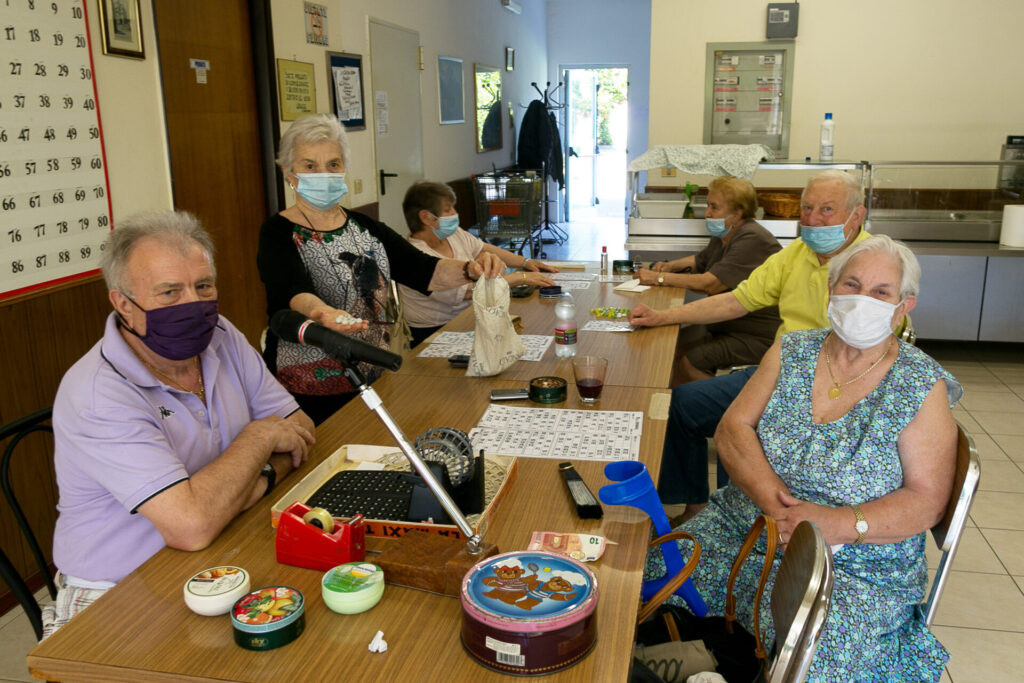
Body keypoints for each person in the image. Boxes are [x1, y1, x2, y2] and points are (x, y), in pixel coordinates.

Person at [645, 235, 960, 681]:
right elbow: (734, 430)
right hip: (747, 526)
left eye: (880, 292)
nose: (861, 300)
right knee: (638, 585)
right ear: (831, 289)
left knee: (815, 657)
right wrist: (779, 508)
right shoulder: (793, 350)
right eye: (850, 284)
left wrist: (840, 523)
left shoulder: (920, 384)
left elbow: (926, 499)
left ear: (904, 306)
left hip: (852, 565)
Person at [45, 211, 316, 637]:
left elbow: (300, 430)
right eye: (169, 292)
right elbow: (190, 527)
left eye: (203, 286)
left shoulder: (221, 336)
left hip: (223, 545)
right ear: (123, 305)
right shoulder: (98, 394)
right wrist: (261, 437)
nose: (193, 304)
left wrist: (244, 487)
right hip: (117, 587)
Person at [628, 170, 871, 522]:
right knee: (681, 405)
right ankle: (695, 506)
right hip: (776, 371)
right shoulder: (797, 253)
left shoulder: (874, 262)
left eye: (826, 210)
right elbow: (736, 300)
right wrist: (663, 317)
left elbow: (880, 347)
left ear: (857, 215)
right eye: (806, 208)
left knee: (741, 433)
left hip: (830, 389)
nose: (812, 219)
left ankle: (738, 523)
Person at [257, 114, 504, 425]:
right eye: (310, 166)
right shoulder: (277, 232)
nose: (324, 174)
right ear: (289, 174)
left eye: (333, 164)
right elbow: (291, 291)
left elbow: (422, 269)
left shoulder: (364, 226)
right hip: (308, 385)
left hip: (371, 374)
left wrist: (471, 268)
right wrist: (322, 313)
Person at [633, 176, 782, 384]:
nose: (708, 213)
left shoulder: (752, 238)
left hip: (756, 335)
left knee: (689, 361)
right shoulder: (727, 233)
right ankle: (672, 403)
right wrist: (670, 266)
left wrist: (659, 278)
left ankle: (718, 406)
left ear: (737, 212)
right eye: (708, 206)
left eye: (714, 207)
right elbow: (700, 261)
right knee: (672, 345)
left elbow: (709, 283)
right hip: (726, 325)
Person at [399, 181, 559, 347]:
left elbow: (482, 248)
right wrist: (520, 278)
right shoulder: (415, 257)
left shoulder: (453, 235)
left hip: (470, 318)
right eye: (448, 209)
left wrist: (526, 262)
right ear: (426, 217)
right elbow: (467, 293)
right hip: (435, 332)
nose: (455, 213)